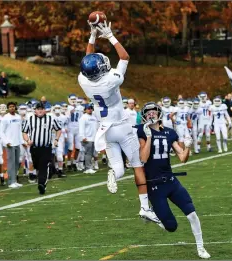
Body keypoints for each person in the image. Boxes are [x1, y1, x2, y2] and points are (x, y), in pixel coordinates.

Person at [78, 20, 158, 222]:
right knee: (138, 165)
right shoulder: (111, 80)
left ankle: (114, 173)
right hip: (121, 126)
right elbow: (124, 56)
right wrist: (110, 35)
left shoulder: (84, 80)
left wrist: (93, 36)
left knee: (120, 169)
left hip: (104, 129)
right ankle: (144, 207)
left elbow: (88, 58)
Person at [137, 102, 210, 259]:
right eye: (147, 112)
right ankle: (152, 214)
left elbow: (182, 158)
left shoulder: (170, 133)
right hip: (154, 185)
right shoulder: (141, 132)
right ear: (144, 115)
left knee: (192, 214)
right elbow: (143, 158)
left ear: (159, 113)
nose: (150, 114)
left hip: (171, 181)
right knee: (171, 227)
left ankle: (201, 247)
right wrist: (149, 136)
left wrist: (188, 146)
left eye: (153, 112)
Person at [22, 102, 61, 194]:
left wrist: (56, 139)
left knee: (44, 165)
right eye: (38, 109)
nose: (40, 110)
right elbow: (24, 132)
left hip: (46, 147)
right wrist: (27, 140)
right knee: (37, 166)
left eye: (41, 109)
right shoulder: (29, 119)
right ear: (35, 110)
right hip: (34, 148)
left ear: (44, 110)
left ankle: (42, 184)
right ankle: (44, 177)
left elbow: (58, 129)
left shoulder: (50, 119)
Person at [0, 102, 23, 188]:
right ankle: (10, 181)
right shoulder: (5, 118)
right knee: (11, 163)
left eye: (13, 106)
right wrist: (6, 142)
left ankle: (15, 180)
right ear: (8, 108)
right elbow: (1, 131)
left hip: (17, 142)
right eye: (10, 107)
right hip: (10, 143)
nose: (12, 108)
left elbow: (20, 130)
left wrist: (22, 141)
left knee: (17, 162)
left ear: (15, 107)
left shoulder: (18, 117)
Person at [79, 104, 98, 174]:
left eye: (91, 108)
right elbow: (81, 128)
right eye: (88, 108)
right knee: (88, 154)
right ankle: (88, 168)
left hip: (93, 138)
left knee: (92, 153)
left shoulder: (94, 117)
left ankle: (89, 166)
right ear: (85, 110)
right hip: (87, 138)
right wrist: (82, 137)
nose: (90, 110)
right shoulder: (83, 117)